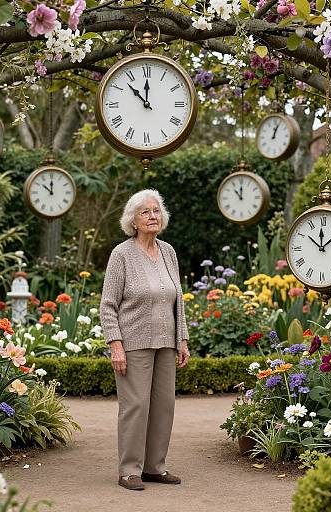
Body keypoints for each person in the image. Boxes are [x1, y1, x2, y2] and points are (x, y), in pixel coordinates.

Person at [100, 189, 191, 491]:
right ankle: (128, 470)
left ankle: (154, 467)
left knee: (164, 405)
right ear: (133, 221)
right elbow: (108, 305)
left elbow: (177, 300)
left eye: (156, 211)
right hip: (133, 341)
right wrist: (115, 344)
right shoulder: (121, 254)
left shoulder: (168, 252)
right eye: (146, 212)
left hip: (166, 341)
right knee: (135, 405)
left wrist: (183, 339)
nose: (153, 216)